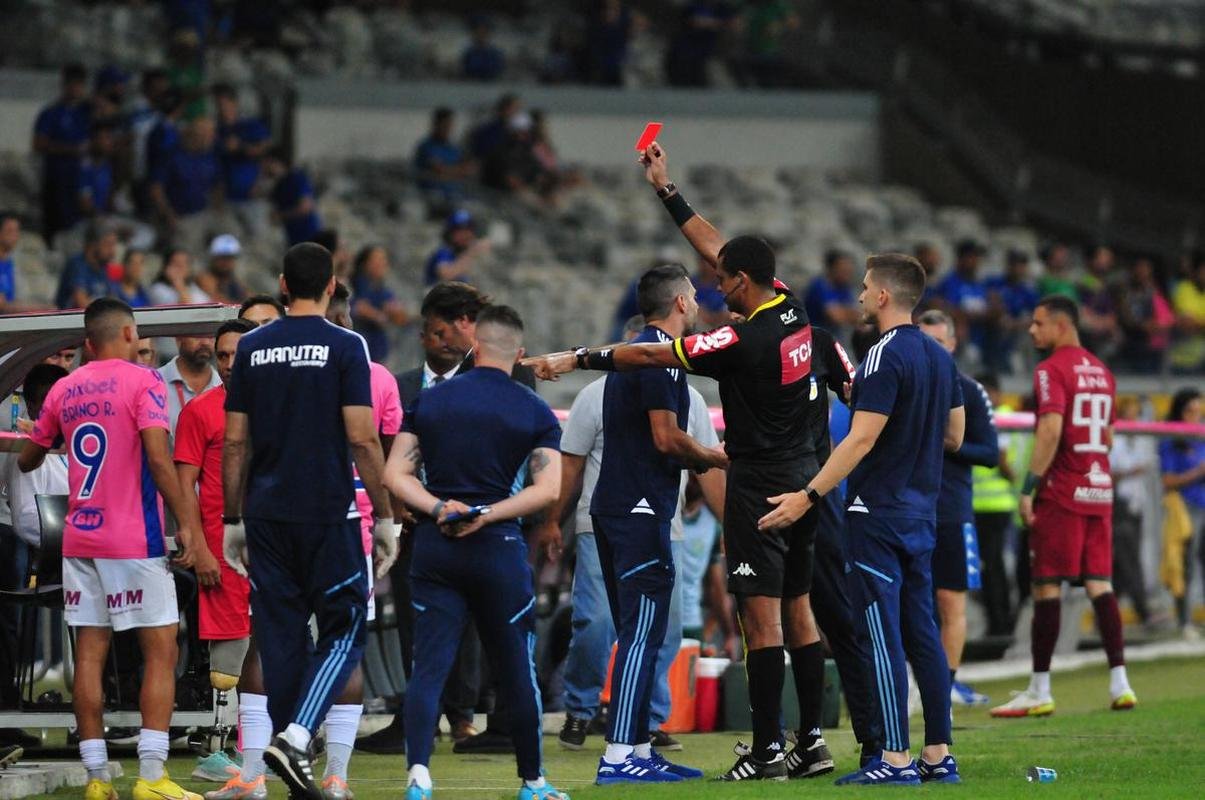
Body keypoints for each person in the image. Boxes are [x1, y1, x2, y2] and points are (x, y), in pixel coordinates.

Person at [525, 140, 833, 782]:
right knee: (800, 608)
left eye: (723, 281)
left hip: (759, 484)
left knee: (759, 616)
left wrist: (575, 356)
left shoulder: (740, 339)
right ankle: (810, 742)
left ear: (742, 285)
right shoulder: (791, 305)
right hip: (807, 482)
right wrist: (667, 190)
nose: (715, 285)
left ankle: (768, 748)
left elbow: (647, 355)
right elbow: (718, 245)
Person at [756, 253, 966, 786]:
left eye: (866, 287)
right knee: (923, 634)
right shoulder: (941, 359)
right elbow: (955, 436)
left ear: (883, 297)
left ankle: (894, 760)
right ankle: (938, 755)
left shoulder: (880, 356)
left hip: (876, 514)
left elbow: (862, 436)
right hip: (922, 512)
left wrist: (809, 494)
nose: (860, 296)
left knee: (880, 635)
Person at [220, 242, 396, 800]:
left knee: (282, 639)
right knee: (345, 629)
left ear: (281, 284)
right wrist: (385, 515)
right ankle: (296, 738)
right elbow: (363, 436)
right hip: (329, 512)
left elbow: (234, 441)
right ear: (330, 285)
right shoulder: (347, 345)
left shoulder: (252, 347)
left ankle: (288, 763)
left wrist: (231, 518)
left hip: (266, 515)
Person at [18, 297, 205, 800]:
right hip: (133, 539)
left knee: (91, 655)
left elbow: (29, 459)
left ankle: (98, 779)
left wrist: (49, 438)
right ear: (127, 335)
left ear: (85, 343)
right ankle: (151, 776)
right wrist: (187, 525)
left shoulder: (64, 387)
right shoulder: (142, 381)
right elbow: (159, 460)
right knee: (160, 651)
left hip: (80, 539)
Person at [383, 304, 569, 800]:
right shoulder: (532, 409)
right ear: (521, 354)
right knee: (516, 670)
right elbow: (548, 489)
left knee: (429, 666)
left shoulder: (432, 399)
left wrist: (440, 507)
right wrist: (489, 514)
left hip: (435, 547)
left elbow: (394, 474)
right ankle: (533, 782)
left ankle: (418, 775)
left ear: (474, 346)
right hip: (498, 550)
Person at [359, 282, 534, 756]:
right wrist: (401, 508)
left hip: (482, 519)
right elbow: (382, 453)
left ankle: (464, 717)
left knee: (476, 624)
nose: (439, 341)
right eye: (431, 333)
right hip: (417, 523)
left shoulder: (504, 379)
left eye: (445, 331)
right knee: (419, 625)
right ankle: (418, 718)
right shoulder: (401, 385)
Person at [545, 313, 725, 756]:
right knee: (599, 621)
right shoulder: (594, 395)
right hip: (600, 523)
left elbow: (708, 470)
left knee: (661, 630)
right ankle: (583, 706)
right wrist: (555, 519)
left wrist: (729, 526)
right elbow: (571, 463)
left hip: (667, 525)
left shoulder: (690, 399)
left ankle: (645, 720)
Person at [584, 265, 726, 783]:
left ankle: (638, 746)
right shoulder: (662, 363)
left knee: (635, 630)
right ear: (682, 303)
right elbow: (666, 439)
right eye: (692, 296)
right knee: (644, 633)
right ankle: (621, 754)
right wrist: (717, 457)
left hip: (614, 506)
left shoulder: (630, 358)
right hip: (640, 510)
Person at [990, 295, 1136, 718]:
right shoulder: (1102, 371)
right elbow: (1105, 437)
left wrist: (1029, 487)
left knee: (1047, 587)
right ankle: (1120, 683)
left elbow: (1050, 430)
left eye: (1038, 324)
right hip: (1099, 490)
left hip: (1063, 492)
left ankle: (1040, 687)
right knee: (1099, 585)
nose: (1032, 331)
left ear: (1060, 325)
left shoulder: (1050, 370)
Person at [319, 283, 406, 799]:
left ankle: (259, 763)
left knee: (280, 643)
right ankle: (335, 774)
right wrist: (387, 518)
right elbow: (385, 454)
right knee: (346, 648)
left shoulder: (277, 370)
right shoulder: (375, 377)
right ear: (347, 317)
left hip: (287, 520)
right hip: (357, 526)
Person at [173, 319, 261, 794]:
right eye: (222, 356)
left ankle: (256, 746)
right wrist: (198, 545)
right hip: (221, 551)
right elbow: (182, 484)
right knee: (228, 659)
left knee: (269, 648)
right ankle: (214, 749)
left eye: (237, 354)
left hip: (275, 547)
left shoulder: (278, 407)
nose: (229, 364)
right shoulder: (201, 411)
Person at [918, 310, 998, 708]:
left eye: (938, 341)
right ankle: (915, 683)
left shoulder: (968, 391)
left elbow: (990, 453)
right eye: (924, 341)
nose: (931, 349)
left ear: (951, 345)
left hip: (950, 512)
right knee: (909, 603)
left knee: (951, 603)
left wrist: (948, 443)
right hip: (909, 511)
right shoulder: (905, 388)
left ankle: (945, 685)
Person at [971, 373, 1019, 637]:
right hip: (983, 504)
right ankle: (997, 621)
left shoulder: (1002, 414)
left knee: (994, 567)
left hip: (996, 505)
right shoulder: (988, 414)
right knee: (989, 567)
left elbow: (1000, 458)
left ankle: (1001, 623)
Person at [1158, 388, 1205, 638]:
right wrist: (1197, 473)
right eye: (1190, 411)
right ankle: (1184, 621)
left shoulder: (1201, 436)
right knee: (1183, 565)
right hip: (1185, 508)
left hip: (1204, 503)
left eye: (1198, 411)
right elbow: (1167, 480)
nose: (1195, 417)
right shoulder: (1171, 439)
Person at [1109, 397, 1156, 626]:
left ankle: (1105, 614)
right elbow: (1109, 473)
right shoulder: (1113, 438)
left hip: (1137, 504)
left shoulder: (1141, 438)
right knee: (1129, 559)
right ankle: (1144, 611)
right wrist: (1129, 472)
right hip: (1119, 504)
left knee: (1122, 561)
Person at [33, 63, 91, 243]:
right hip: (57, 178)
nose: (76, 89)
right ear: (64, 85)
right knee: (54, 228)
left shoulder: (86, 113)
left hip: (81, 181)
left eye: (80, 84)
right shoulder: (51, 113)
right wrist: (70, 149)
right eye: (72, 84)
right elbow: (39, 144)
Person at [212, 84, 271, 236]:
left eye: (225, 104)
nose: (222, 109)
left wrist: (240, 147)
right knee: (232, 240)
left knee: (258, 237)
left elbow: (264, 151)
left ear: (234, 103)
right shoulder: (216, 130)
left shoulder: (250, 125)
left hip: (252, 194)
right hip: (227, 197)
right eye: (219, 105)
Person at [350, 245, 409, 362]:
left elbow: (400, 317)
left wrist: (395, 312)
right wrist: (376, 315)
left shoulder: (383, 290)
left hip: (377, 351)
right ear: (365, 263)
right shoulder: (354, 284)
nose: (382, 264)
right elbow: (357, 307)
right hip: (357, 349)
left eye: (384, 259)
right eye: (377, 259)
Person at [984, 250, 1038, 374]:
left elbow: (1035, 315)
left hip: (1017, 329)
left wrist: (1016, 324)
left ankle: (1024, 371)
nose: (1018, 268)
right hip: (996, 325)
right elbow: (988, 299)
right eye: (1015, 264)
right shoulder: (994, 282)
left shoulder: (1028, 290)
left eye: (1021, 265)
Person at [934, 239, 989, 361]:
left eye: (977, 257)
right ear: (961, 258)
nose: (976, 261)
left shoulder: (981, 285)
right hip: (957, 344)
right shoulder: (949, 283)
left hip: (981, 342)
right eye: (972, 257)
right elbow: (941, 308)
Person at [159, 335, 221, 435]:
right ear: (178, 338)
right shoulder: (156, 382)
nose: (205, 342)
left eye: (210, 336)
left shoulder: (224, 386)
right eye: (197, 335)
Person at [413, 108, 473, 211]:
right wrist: (457, 172)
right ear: (436, 125)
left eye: (450, 125)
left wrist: (452, 172)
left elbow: (469, 169)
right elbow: (438, 169)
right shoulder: (427, 146)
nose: (448, 128)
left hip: (457, 196)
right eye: (445, 125)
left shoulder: (453, 148)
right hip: (434, 197)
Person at [265, 149, 322, 247]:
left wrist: (281, 215)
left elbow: (305, 207)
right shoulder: (280, 184)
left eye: (267, 164)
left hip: (308, 236)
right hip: (293, 238)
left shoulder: (297, 179)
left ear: (277, 163)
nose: (265, 168)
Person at [55, 222, 118, 310]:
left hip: (97, 320)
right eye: (108, 245)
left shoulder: (103, 267)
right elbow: (81, 304)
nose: (112, 252)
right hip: (74, 321)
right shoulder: (77, 265)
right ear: (93, 245)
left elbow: (113, 301)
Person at [803, 250, 859, 339]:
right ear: (832, 268)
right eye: (843, 270)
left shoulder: (844, 287)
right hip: (814, 338)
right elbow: (835, 316)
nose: (847, 274)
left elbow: (856, 313)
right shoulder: (819, 285)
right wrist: (848, 314)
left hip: (834, 337)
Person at [425, 211, 490, 286]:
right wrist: (472, 252)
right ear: (450, 234)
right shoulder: (444, 252)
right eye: (461, 232)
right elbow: (446, 275)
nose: (466, 235)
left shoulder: (460, 254)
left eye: (468, 231)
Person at [148, 249, 212, 307]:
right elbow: (187, 308)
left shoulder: (192, 287)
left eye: (185, 263)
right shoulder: (158, 289)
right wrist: (178, 282)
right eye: (176, 263)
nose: (181, 267)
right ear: (166, 267)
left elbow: (206, 305)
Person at [198, 235, 249, 305]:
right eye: (223, 258)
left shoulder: (234, 280)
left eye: (230, 258)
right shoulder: (206, 279)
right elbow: (219, 302)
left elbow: (249, 297)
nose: (226, 263)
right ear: (214, 259)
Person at [462, 16, 506, 81]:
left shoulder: (495, 53)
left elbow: (498, 70)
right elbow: (466, 70)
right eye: (478, 32)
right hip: (472, 84)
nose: (481, 35)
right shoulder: (469, 53)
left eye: (484, 32)